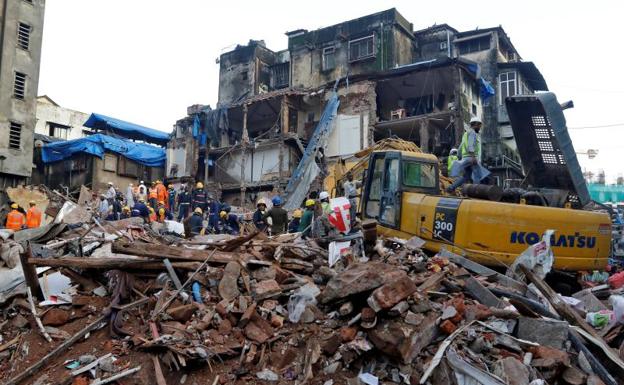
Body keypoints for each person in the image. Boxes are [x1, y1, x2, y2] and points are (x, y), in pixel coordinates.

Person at [447, 117, 490, 192]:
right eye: (479, 125)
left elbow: (460, 149)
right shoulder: (472, 133)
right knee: (478, 175)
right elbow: (470, 146)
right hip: (471, 158)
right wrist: (473, 157)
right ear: (476, 124)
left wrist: (461, 158)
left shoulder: (466, 134)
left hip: (466, 158)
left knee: (466, 177)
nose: (480, 127)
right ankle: (477, 192)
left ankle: (451, 188)